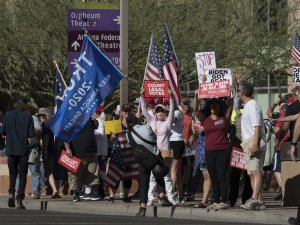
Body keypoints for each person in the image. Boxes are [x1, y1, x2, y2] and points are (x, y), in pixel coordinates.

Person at [194, 90, 233, 210]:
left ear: (219, 106)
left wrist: (230, 92)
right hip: (209, 150)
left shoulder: (224, 117)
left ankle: (224, 200)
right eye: (211, 104)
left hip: (223, 150)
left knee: (222, 176)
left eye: (216, 104)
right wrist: (196, 96)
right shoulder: (205, 119)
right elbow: (195, 110)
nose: (213, 106)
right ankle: (216, 200)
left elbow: (230, 105)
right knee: (213, 176)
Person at [127, 114, 171, 217]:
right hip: (154, 156)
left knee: (144, 184)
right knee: (159, 175)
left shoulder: (128, 134)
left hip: (142, 161)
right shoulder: (146, 126)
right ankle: (162, 197)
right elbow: (154, 139)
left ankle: (142, 208)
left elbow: (132, 146)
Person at [140, 88, 174, 206]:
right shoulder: (152, 121)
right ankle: (150, 198)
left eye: (162, 110)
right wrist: (142, 97)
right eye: (158, 110)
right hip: (153, 151)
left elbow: (172, 111)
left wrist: (171, 98)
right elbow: (144, 111)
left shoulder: (167, 123)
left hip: (165, 152)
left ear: (164, 112)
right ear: (155, 112)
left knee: (166, 176)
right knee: (152, 177)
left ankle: (170, 197)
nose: (160, 112)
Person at [237, 80, 267, 210]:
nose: (237, 93)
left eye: (238, 90)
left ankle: (254, 198)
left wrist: (255, 144)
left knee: (255, 171)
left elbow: (257, 126)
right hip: (248, 143)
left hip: (253, 143)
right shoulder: (248, 105)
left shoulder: (253, 105)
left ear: (242, 92)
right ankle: (258, 200)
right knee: (251, 173)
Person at [1, 99, 35, 209]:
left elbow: (3, 131)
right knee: (22, 175)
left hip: (10, 149)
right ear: (24, 107)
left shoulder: (7, 115)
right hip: (23, 149)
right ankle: (19, 200)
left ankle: (11, 193)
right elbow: (31, 134)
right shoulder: (28, 116)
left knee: (12, 173)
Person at [64, 118, 100, 202]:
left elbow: (96, 127)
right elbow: (65, 136)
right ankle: (76, 194)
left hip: (91, 150)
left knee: (93, 172)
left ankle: (93, 193)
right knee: (76, 173)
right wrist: (68, 149)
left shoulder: (89, 118)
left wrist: (95, 121)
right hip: (78, 151)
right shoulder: (71, 120)